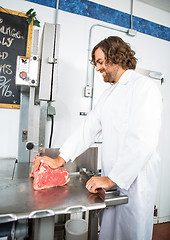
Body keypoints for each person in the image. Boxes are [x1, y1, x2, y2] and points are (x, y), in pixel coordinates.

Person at [35, 36, 162, 240]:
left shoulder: (144, 88)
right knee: (110, 232)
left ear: (117, 57)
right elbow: (88, 129)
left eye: (101, 62)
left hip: (137, 181)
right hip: (114, 179)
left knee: (131, 233)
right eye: (96, 63)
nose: (98, 68)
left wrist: (112, 179)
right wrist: (60, 159)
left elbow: (143, 140)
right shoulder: (108, 96)